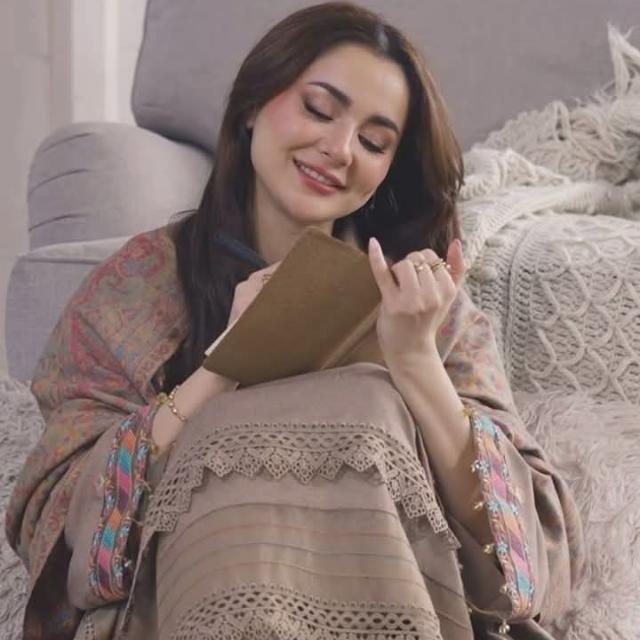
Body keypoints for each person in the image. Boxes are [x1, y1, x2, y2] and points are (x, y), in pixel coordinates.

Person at [5, 3, 584, 639]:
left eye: (373, 142)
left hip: (395, 610)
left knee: (369, 398)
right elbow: (61, 525)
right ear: (254, 104)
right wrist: (225, 367)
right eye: (318, 109)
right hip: (189, 608)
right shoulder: (136, 287)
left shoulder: (425, 307)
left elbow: (532, 562)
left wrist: (416, 364)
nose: (339, 149)